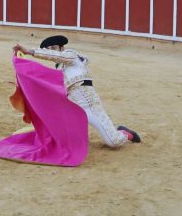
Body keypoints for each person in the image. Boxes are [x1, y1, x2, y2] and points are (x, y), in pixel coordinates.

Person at [12, 35, 142, 147]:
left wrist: (30, 51)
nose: (52, 51)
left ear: (61, 48)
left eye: (54, 48)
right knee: (61, 139)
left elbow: (55, 56)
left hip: (88, 102)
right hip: (71, 106)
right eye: (49, 49)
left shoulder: (72, 55)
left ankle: (125, 133)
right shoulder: (57, 71)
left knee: (113, 142)